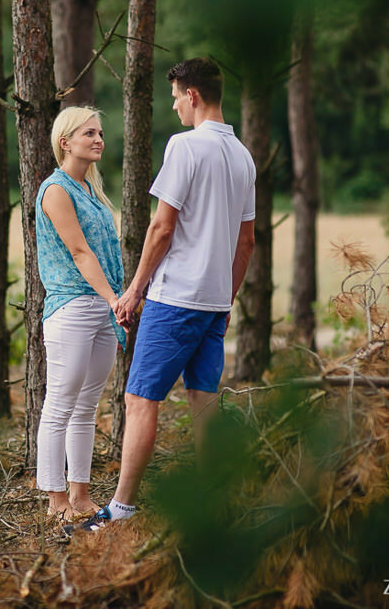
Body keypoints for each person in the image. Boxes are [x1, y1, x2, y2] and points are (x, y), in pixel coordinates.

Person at [66, 57, 256, 533]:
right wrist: (227, 298)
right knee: (204, 400)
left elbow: (161, 227)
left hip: (176, 300)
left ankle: (122, 510)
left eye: (175, 96)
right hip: (214, 303)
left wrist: (133, 290)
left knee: (140, 399)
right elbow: (246, 241)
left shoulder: (186, 147)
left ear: (193, 94)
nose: (173, 106)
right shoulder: (243, 156)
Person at [34, 106, 126, 521]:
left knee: (87, 406)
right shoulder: (57, 190)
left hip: (103, 308)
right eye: (89, 133)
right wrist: (114, 299)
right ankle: (55, 502)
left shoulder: (91, 190)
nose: (98, 139)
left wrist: (112, 301)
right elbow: (79, 252)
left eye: (101, 133)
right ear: (65, 141)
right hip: (73, 306)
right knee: (60, 404)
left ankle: (82, 496)